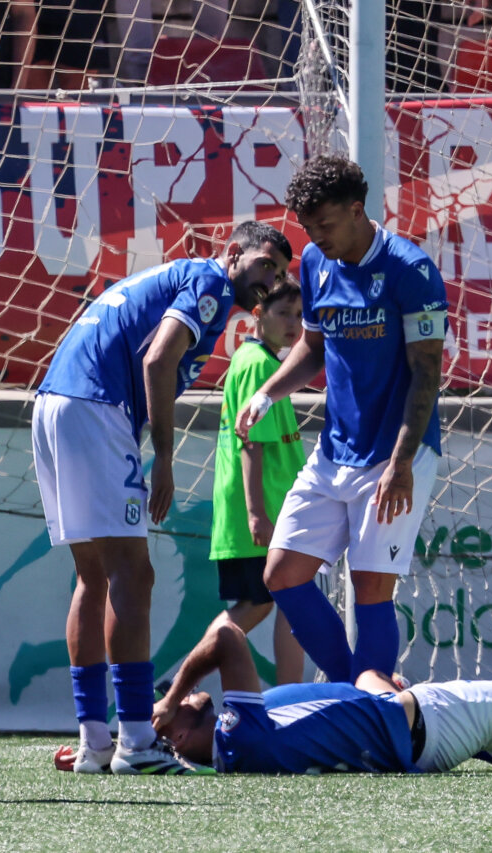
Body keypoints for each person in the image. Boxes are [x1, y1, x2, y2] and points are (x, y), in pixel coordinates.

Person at [32, 220, 292, 775]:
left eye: (279, 273)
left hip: (55, 401)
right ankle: (135, 740)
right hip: (96, 405)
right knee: (133, 573)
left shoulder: (185, 278)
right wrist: (166, 457)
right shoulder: (211, 282)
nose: (271, 281)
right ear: (233, 253)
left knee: (93, 577)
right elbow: (158, 359)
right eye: (266, 264)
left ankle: (95, 742)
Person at [237, 155, 448, 688]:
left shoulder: (411, 270)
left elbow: (427, 373)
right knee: (282, 574)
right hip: (335, 450)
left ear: (357, 211)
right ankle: (357, 693)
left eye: (325, 224)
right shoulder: (314, 261)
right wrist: (267, 393)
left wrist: (400, 464)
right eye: (307, 227)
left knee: (371, 588)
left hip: (394, 454)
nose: (315, 237)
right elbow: (313, 345)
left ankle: (369, 709)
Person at [141, 612, 492, 773]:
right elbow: (224, 635)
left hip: (403, 722)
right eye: (170, 705)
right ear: (177, 736)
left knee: (368, 674)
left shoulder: (236, 744)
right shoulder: (236, 735)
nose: (180, 694)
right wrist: (171, 696)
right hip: (432, 722)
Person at [210, 278, 307, 686]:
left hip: (271, 507)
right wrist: (256, 513)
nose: (293, 324)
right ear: (257, 315)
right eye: (283, 313)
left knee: (286, 601)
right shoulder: (257, 366)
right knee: (266, 602)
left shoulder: (263, 361)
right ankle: (180, 686)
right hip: (262, 510)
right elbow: (251, 442)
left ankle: (291, 698)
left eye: (299, 315)